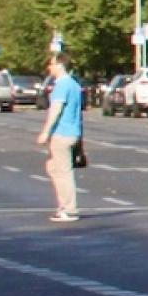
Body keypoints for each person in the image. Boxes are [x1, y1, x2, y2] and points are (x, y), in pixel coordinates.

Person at [35, 52, 85, 222]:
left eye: (52, 64)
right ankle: (64, 205)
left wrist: (45, 132)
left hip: (62, 133)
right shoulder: (74, 85)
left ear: (60, 65)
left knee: (63, 172)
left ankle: (69, 209)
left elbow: (56, 109)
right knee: (53, 167)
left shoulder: (62, 86)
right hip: (72, 132)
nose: (49, 67)